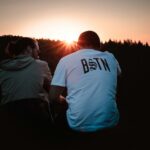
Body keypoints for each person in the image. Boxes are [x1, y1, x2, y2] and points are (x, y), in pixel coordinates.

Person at [49, 31, 121, 148]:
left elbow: (52, 97)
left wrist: (64, 100)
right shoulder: (111, 58)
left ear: (78, 45)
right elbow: (118, 74)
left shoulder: (66, 60)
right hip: (110, 121)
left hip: (77, 125)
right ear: (99, 45)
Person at [0, 37, 52, 149]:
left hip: (8, 115)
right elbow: (52, 92)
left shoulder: (2, 67)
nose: (39, 51)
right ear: (29, 48)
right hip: (34, 112)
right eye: (37, 48)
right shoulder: (40, 65)